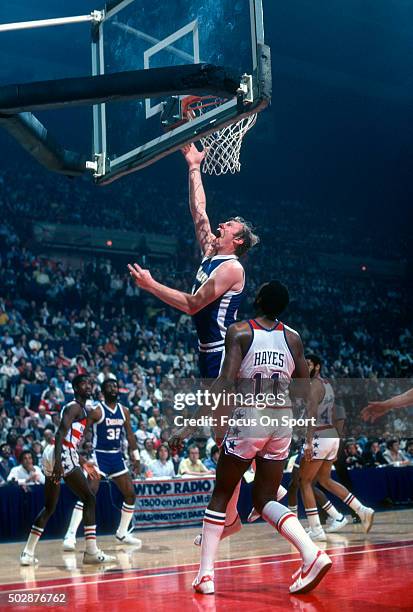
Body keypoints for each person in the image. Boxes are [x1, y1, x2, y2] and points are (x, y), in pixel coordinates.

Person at [128, 143, 259, 539]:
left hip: (224, 355)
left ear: (237, 240)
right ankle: (245, 502)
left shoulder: (232, 267)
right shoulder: (209, 252)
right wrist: (193, 167)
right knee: (223, 441)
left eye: (231, 226)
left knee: (227, 442)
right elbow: (198, 212)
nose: (223, 224)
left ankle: (237, 511)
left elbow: (191, 305)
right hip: (207, 354)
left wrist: (151, 286)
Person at [170, 281, 332, 595]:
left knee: (222, 492)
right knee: (265, 498)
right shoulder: (294, 338)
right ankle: (311, 554)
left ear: (257, 299)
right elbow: (304, 388)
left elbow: (224, 382)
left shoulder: (240, 331)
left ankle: (205, 575)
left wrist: (190, 424)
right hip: (281, 417)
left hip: (251, 415)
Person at [20, 374, 116, 566]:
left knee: (50, 506)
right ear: (75, 388)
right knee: (89, 498)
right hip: (60, 454)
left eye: (89, 383)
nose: (88, 386)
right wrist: (59, 464)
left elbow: (68, 442)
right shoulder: (74, 407)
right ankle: (91, 552)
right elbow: (60, 435)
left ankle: (27, 553)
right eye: (83, 384)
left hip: (55, 454)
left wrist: (82, 462)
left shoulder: (79, 409)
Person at [298, 355, 374, 542]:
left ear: (317, 366)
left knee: (304, 482)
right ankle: (361, 509)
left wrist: (308, 442)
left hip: (319, 435)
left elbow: (311, 415)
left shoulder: (313, 386)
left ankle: (316, 529)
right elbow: (334, 413)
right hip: (331, 435)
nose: (306, 367)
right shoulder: (327, 384)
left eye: (309, 364)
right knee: (325, 479)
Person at [62, 377, 141, 550]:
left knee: (130, 495)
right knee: (89, 493)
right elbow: (82, 431)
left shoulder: (124, 411)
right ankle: (70, 535)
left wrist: (136, 457)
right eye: (109, 386)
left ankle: (122, 532)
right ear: (103, 392)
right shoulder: (97, 411)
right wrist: (77, 451)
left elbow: (129, 436)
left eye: (116, 385)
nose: (114, 388)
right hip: (99, 456)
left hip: (116, 457)